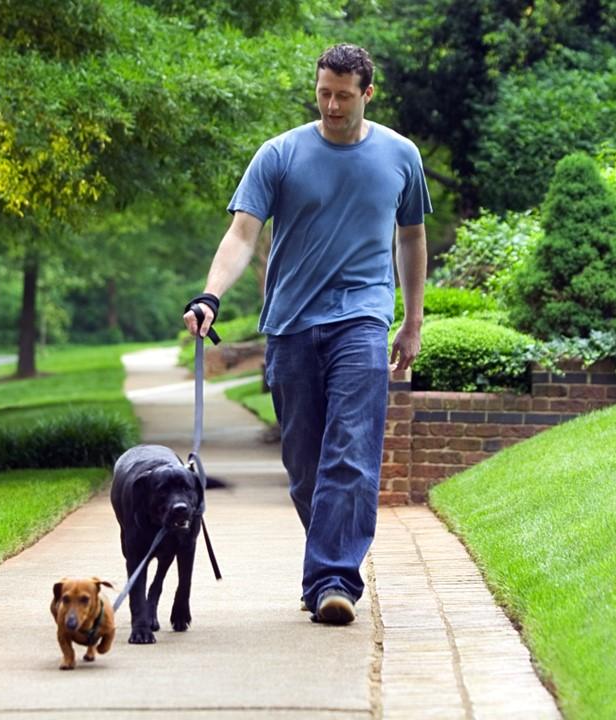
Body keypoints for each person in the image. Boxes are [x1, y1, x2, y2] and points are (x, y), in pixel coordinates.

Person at [183, 43, 431, 625]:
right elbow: (242, 234)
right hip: (292, 323)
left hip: (363, 319)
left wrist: (412, 320)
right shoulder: (281, 154)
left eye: (344, 95)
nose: (332, 104)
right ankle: (329, 562)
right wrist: (210, 296)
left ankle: (332, 580)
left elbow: (412, 238)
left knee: (351, 451)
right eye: (324, 92)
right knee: (305, 465)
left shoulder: (401, 155)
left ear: (367, 93)